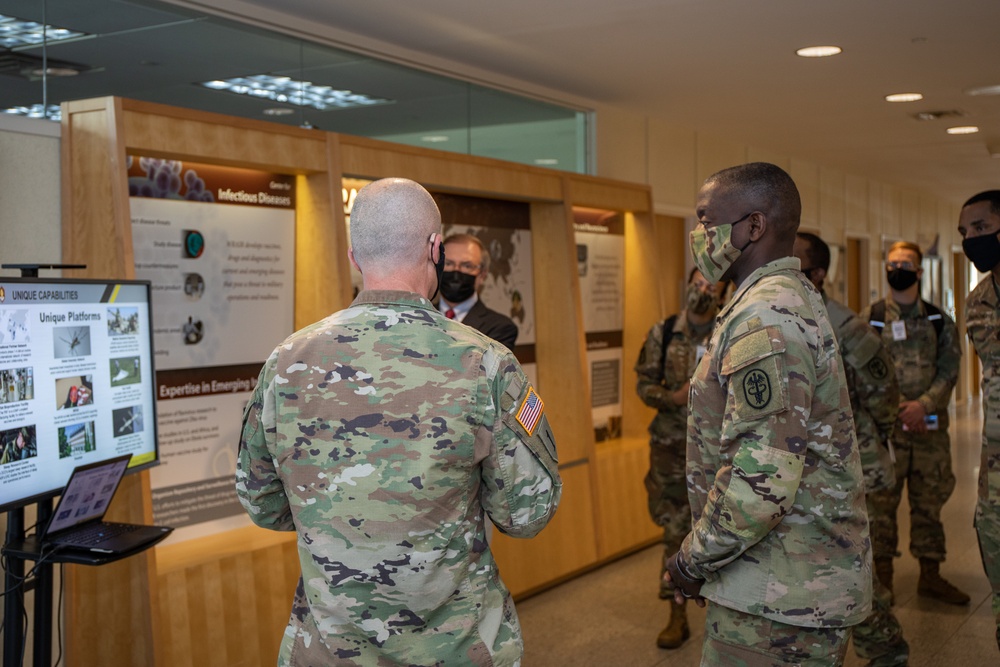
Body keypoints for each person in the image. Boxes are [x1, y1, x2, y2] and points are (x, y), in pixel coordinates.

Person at [236, 177, 561, 667]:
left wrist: (337, 525)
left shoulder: (286, 361)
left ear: (354, 255)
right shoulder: (486, 363)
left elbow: (261, 502)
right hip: (455, 647)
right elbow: (526, 513)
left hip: (327, 649)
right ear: (435, 248)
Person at [664, 162, 871, 666]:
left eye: (706, 221)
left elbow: (762, 479)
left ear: (754, 227)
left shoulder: (766, 315)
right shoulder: (779, 299)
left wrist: (692, 559)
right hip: (787, 582)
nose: (698, 235)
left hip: (780, 593)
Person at [794, 232, 909, 666]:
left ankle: (887, 652)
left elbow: (883, 390)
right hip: (800, 476)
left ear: (818, 274)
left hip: (853, 473)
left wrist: (869, 438)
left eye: (795, 261)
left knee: (857, 574)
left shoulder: (846, 326)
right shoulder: (780, 315)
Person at [860, 241, 968, 605]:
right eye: (893, 263)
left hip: (929, 432)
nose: (899, 268)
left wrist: (922, 406)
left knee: (929, 505)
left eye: (907, 263)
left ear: (920, 272)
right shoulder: (869, 319)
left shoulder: (939, 321)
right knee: (880, 509)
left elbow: (949, 371)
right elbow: (857, 375)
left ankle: (931, 575)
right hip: (885, 435)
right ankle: (883, 580)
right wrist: (896, 411)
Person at [634, 267, 721, 649]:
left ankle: (727, 619)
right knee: (673, 531)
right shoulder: (663, 332)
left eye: (711, 286)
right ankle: (676, 616)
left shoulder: (729, 331)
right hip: (671, 448)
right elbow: (643, 384)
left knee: (725, 530)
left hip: (719, 450)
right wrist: (671, 397)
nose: (702, 292)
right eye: (697, 284)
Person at [958, 189, 1000, 650]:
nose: (971, 240)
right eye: (965, 233)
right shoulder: (977, 301)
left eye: (981, 229)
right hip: (995, 473)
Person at [439, 233, 518, 349]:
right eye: (448, 264)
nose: (456, 272)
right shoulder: (417, 316)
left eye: (467, 266)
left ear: (482, 275)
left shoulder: (501, 328)